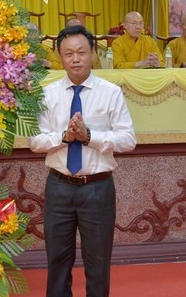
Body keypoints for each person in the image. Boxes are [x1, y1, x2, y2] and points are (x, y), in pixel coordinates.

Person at [28, 25, 136, 297]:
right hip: (59, 187)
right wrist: (64, 137)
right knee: (57, 263)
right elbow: (35, 142)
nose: (75, 59)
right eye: (68, 54)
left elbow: (128, 140)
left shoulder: (110, 93)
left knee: (98, 263)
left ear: (93, 53)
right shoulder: (48, 94)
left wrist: (90, 137)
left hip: (97, 188)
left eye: (81, 52)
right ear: (60, 57)